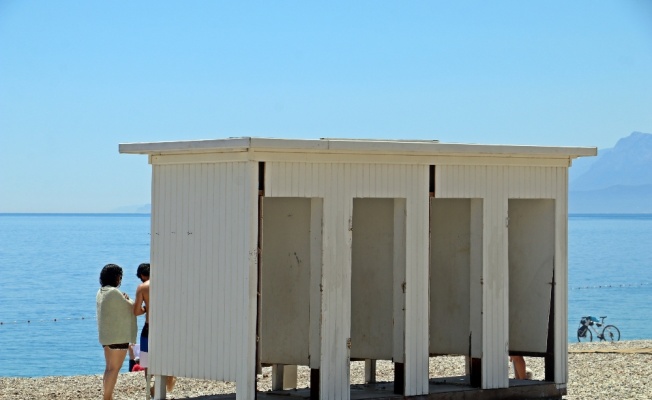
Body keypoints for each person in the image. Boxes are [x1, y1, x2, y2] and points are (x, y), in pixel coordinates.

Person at [97, 263, 137, 400]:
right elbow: (131, 306)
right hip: (118, 337)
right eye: (120, 277)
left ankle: (108, 396)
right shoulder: (114, 292)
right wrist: (128, 298)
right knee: (114, 369)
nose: (120, 280)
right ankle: (107, 397)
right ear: (115, 277)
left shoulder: (102, 291)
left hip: (106, 336)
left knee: (109, 368)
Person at [134, 263, 176, 393]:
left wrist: (146, 308)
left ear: (142, 275)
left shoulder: (143, 287)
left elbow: (136, 311)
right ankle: (161, 384)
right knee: (165, 356)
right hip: (166, 326)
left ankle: (149, 387)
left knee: (146, 358)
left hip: (149, 326)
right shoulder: (167, 285)